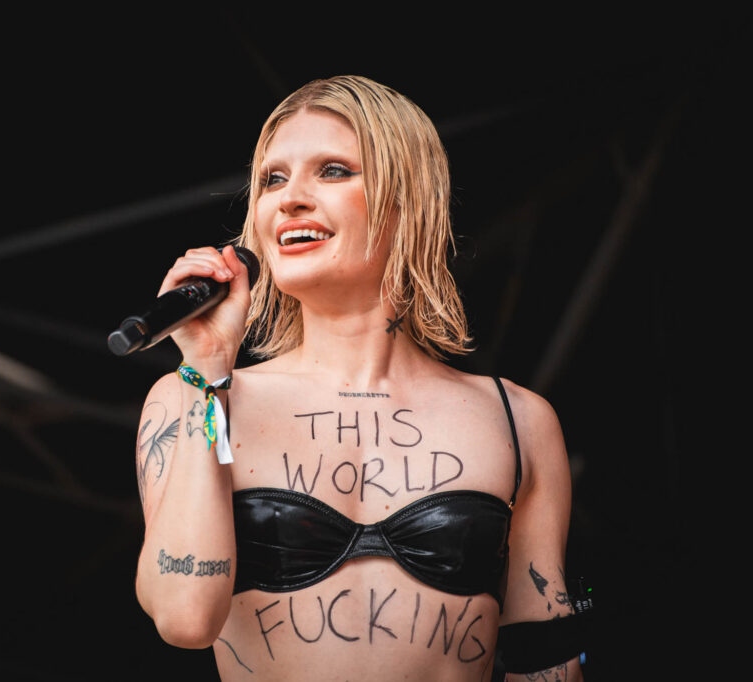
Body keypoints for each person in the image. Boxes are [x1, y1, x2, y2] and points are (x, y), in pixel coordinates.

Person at [133, 75, 583, 681]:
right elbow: (185, 618)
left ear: (407, 200)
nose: (289, 198)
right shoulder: (199, 397)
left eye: (333, 170)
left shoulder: (517, 419)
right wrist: (208, 369)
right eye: (273, 178)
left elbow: (544, 660)